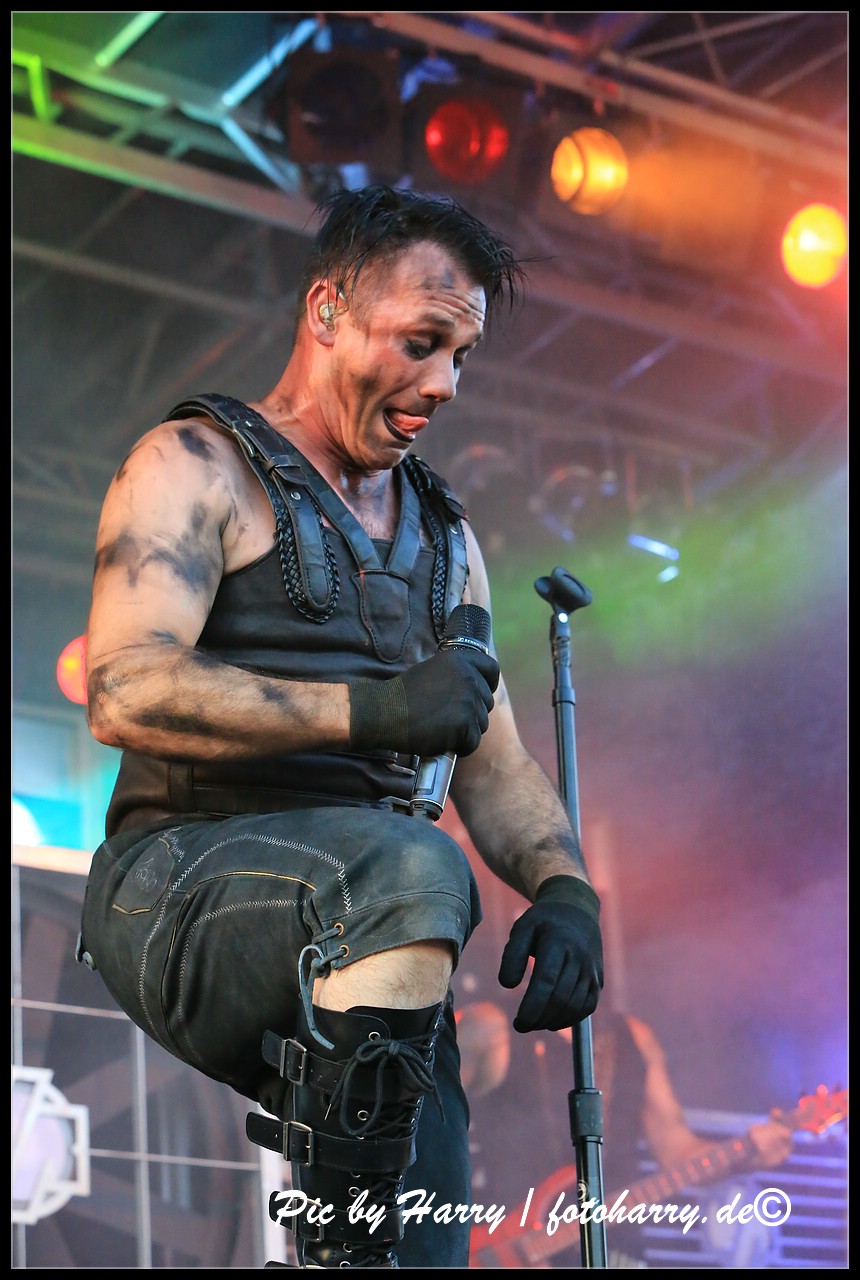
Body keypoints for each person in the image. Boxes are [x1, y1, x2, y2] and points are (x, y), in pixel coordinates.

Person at [76, 183, 604, 1270]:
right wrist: (374, 710)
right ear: (326, 312)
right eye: (419, 343)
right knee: (413, 866)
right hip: (178, 882)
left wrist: (565, 890)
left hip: (373, 920)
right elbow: (123, 689)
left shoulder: (448, 542)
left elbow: (493, 762)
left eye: (460, 355)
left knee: (433, 1240)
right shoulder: (191, 464)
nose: (444, 384)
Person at [464, 1004, 795, 1268]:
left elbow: (677, 1150)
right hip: (502, 1249)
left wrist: (747, 1154)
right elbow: (434, 1115)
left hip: (615, 1248)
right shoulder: (490, 1027)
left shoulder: (631, 1038)